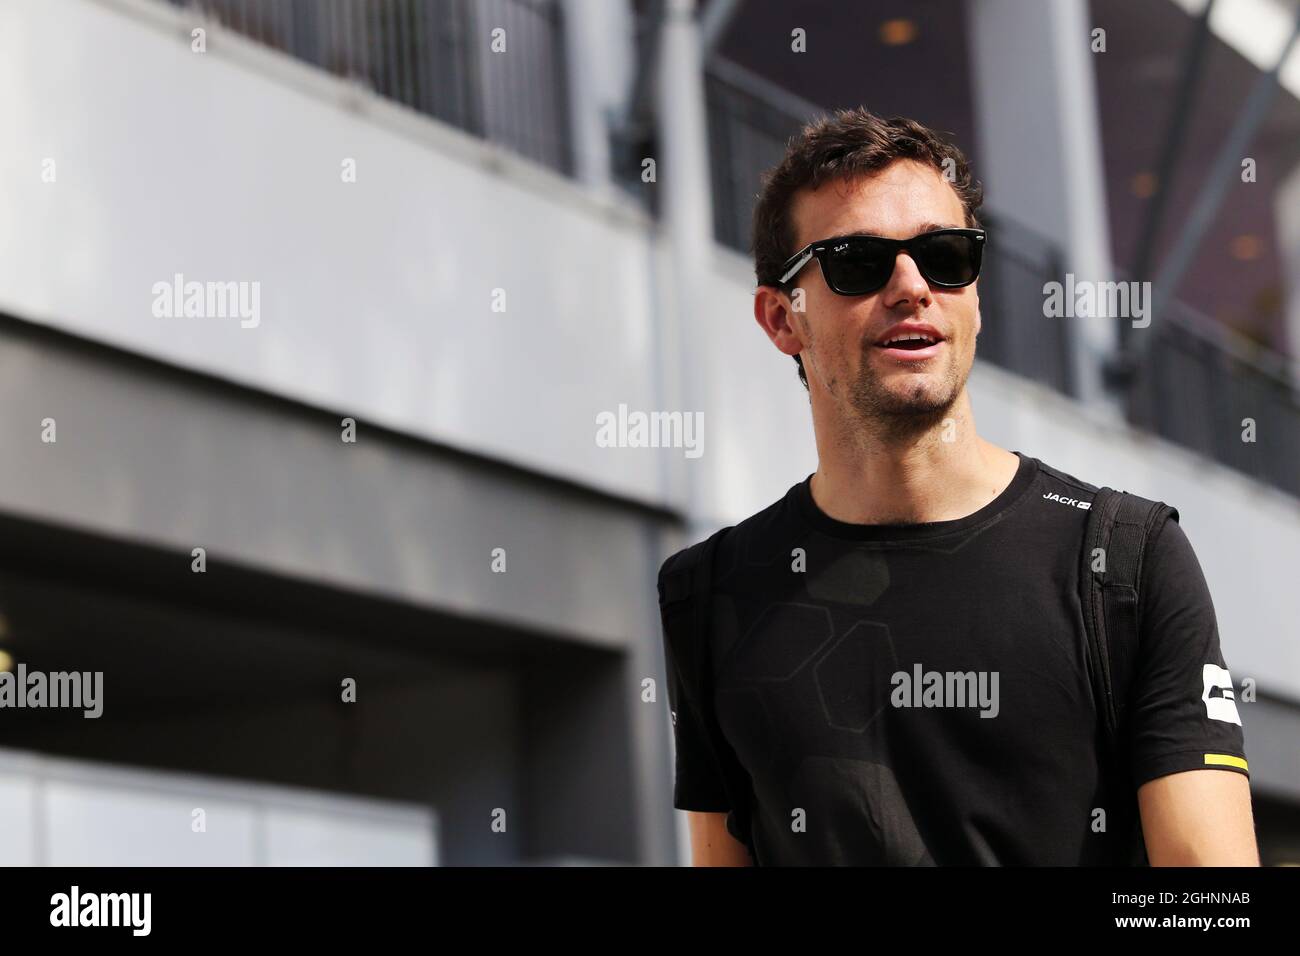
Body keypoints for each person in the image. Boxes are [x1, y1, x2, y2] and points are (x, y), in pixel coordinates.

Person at [663, 107, 1256, 866]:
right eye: (857, 260)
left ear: (975, 296)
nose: (912, 285)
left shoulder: (1126, 562)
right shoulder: (710, 593)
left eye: (945, 255)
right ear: (783, 319)